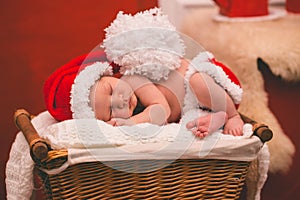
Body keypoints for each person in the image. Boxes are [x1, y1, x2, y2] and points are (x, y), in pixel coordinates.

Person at [89, 57, 244, 139]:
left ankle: (232, 115)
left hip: (198, 78)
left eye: (110, 90)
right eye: (111, 110)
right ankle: (214, 118)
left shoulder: (131, 79)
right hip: (191, 106)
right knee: (191, 126)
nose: (118, 101)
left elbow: (162, 110)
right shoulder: (133, 112)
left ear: (108, 76)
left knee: (199, 84)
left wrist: (130, 122)